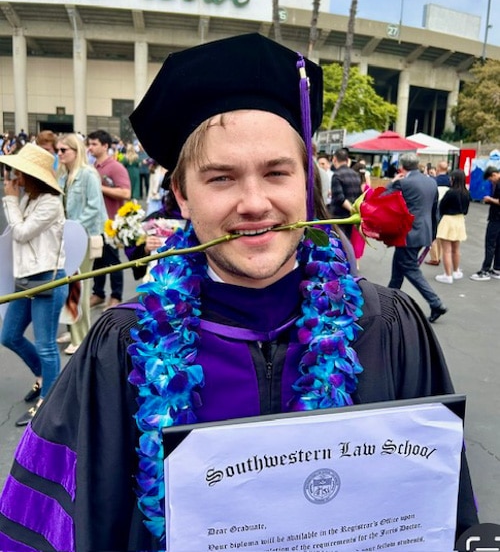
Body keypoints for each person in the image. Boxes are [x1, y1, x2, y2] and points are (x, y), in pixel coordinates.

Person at [0, 34, 477, 551]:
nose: (254, 203)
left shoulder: (388, 328)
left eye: (277, 172)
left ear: (306, 183)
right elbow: (59, 527)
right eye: (221, 178)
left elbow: (438, 510)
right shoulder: (122, 348)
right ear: (182, 194)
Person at [0, 143, 68, 427]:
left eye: (18, 172)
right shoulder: (31, 198)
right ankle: (44, 378)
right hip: (26, 279)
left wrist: (10, 200)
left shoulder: (50, 203)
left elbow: (22, 233)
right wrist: (17, 199)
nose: (14, 177)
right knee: (9, 335)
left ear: (32, 176)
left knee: (46, 345)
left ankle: (49, 403)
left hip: (47, 281)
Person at [56, 133, 108, 354]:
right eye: (58, 150)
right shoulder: (63, 176)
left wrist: (72, 227)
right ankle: (73, 329)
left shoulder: (88, 175)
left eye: (63, 150)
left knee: (79, 285)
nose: (58, 154)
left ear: (75, 152)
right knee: (68, 284)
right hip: (67, 236)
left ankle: (82, 335)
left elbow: (94, 207)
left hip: (83, 237)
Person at [385, 152, 448, 323]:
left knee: (410, 268)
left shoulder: (404, 183)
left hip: (409, 234)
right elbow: (435, 210)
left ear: (401, 167)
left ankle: (435, 303)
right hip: (424, 231)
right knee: (398, 268)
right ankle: (389, 301)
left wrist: (392, 182)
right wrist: (433, 234)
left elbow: (383, 197)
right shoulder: (430, 181)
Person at [87, 129, 131, 308]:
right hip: (95, 222)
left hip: (111, 222)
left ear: (105, 146)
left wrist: (100, 188)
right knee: (97, 259)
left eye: (94, 144)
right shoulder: (93, 167)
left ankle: (116, 296)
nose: (90, 147)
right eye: (89, 144)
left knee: (112, 261)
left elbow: (125, 192)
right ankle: (98, 293)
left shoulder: (115, 167)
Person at [434, 169, 471, 284]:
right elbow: (466, 211)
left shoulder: (450, 192)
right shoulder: (466, 193)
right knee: (456, 249)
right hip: (459, 220)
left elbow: (442, 207)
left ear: (453, 179)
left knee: (447, 250)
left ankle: (447, 275)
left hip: (448, 220)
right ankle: (455, 271)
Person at [470, 165, 500, 281]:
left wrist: (490, 199)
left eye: (490, 179)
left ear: (494, 175)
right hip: (497, 217)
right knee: (498, 244)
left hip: (496, 218)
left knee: (490, 244)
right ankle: (497, 268)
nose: (490, 182)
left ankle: (485, 270)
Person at [328, 147, 362, 239]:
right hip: (350, 218)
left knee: (337, 243)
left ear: (334, 159)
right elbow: (360, 195)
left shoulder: (337, 175)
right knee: (347, 243)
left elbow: (340, 198)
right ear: (347, 160)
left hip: (338, 216)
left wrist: (351, 209)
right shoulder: (355, 175)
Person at [425, 160, 451, 267]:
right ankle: (438, 256)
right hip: (448, 210)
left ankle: (434, 257)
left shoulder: (434, 181)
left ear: (438, 169)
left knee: (433, 233)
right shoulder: (450, 181)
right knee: (440, 234)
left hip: (436, 208)